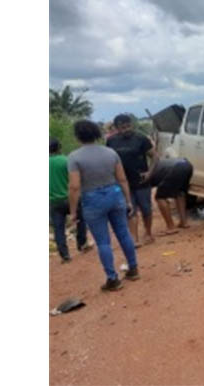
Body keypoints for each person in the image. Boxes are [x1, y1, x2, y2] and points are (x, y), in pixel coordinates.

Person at [68, 120, 140, 291]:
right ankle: (133, 268)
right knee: (123, 232)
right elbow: (122, 179)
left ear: (78, 136)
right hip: (114, 194)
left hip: (92, 199)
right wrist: (128, 200)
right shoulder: (110, 152)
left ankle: (112, 279)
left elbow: (74, 187)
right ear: (96, 134)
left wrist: (73, 211)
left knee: (102, 241)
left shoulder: (74, 157)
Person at [106, 114, 155, 245]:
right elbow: (109, 161)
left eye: (128, 126)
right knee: (130, 209)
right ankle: (134, 238)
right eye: (122, 127)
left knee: (146, 209)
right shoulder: (111, 141)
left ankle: (148, 233)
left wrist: (150, 172)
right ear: (116, 128)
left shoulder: (141, 139)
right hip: (122, 182)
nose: (126, 129)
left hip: (141, 180)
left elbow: (155, 156)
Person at [49, 137, 90, 263]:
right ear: (59, 147)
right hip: (71, 198)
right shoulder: (66, 161)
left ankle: (65, 255)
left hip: (54, 201)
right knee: (80, 220)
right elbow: (75, 180)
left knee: (58, 228)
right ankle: (82, 244)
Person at [140, 157, 194, 235]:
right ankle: (184, 222)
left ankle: (171, 227)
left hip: (176, 168)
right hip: (187, 165)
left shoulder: (143, 175)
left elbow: (145, 196)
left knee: (160, 197)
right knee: (180, 193)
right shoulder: (148, 166)